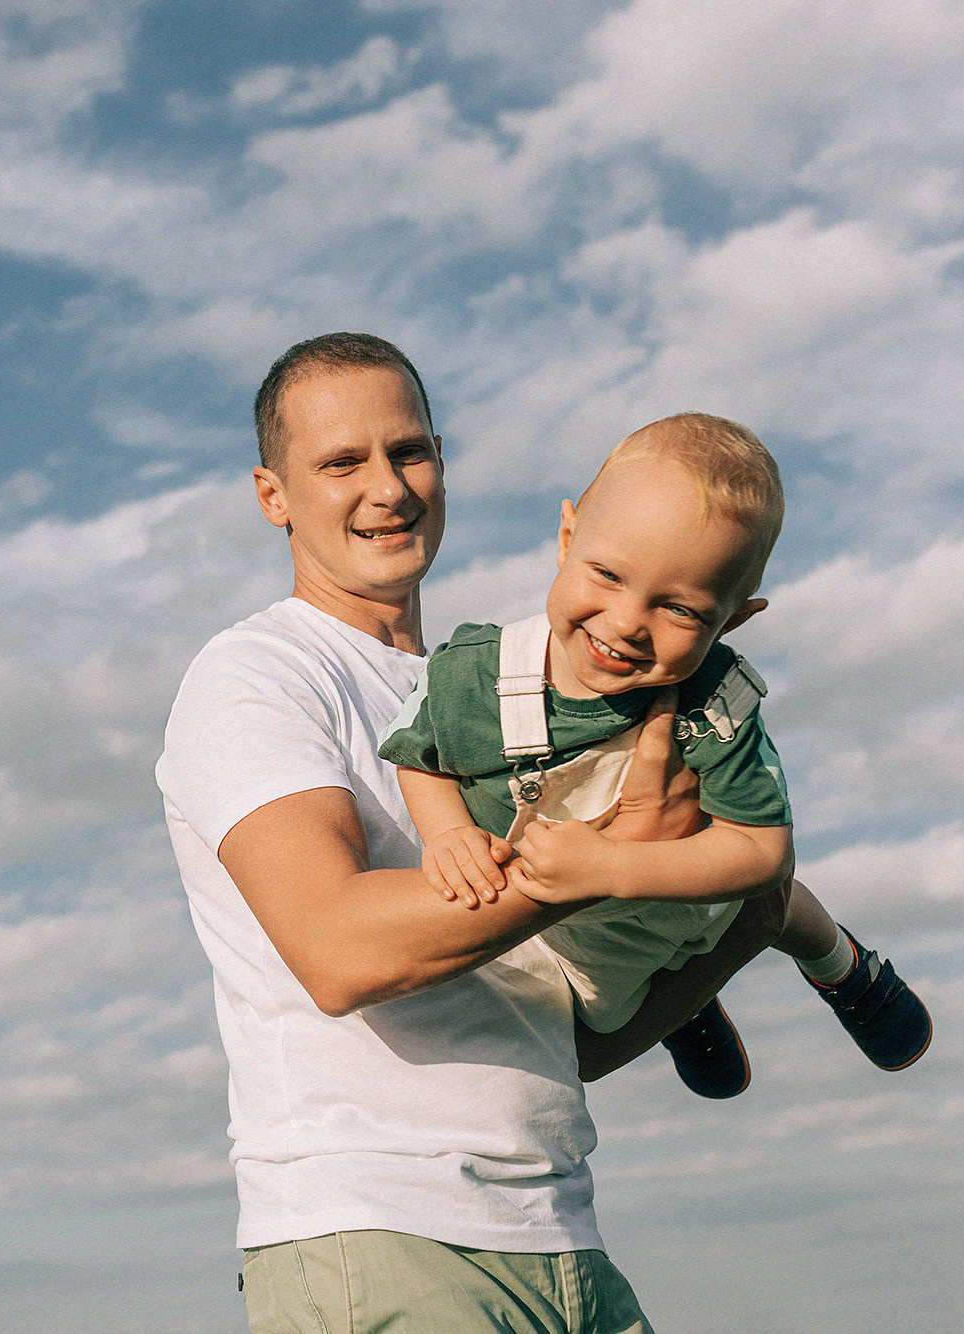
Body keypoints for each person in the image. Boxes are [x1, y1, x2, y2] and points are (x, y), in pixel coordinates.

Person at [156, 333, 789, 1334]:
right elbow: (335, 947)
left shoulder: (496, 691)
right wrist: (599, 863)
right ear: (273, 495)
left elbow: (562, 1036)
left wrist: (738, 923)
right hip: (376, 1232)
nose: (387, 487)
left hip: (557, 1228)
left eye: (407, 452)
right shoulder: (258, 675)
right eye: (340, 462)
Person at [379, 414, 931, 1099]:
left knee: (771, 900)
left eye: (680, 610)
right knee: (603, 1013)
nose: (626, 622)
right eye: (606, 574)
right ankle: (687, 1005)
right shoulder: (475, 674)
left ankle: (842, 966)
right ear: (566, 537)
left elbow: (761, 852)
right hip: (582, 942)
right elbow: (420, 755)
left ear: (731, 620)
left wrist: (613, 865)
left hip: (689, 890)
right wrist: (450, 832)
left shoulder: (709, 702)